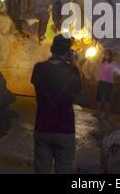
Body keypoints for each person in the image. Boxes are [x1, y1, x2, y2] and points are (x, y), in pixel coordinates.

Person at [30, 34, 82, 174]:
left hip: (43, 126)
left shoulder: (39, 68)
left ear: (52, 48)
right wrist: (73, 64)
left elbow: (37, 85)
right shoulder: (73, 71)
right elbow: (77, 94)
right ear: (68, 52)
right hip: (65, 128)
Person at [95, 49, 120, 119]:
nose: (106, 56)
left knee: (107, 99)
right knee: (98, 98)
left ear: (110, 55)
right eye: (105, 54)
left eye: (107, 54)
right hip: (101, 81)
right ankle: (98, 113)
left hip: (109, 82)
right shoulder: (102, 62)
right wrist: (98, 78)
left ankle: (106, 115)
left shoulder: (114, 63)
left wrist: (115, 75)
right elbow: (99, 71)